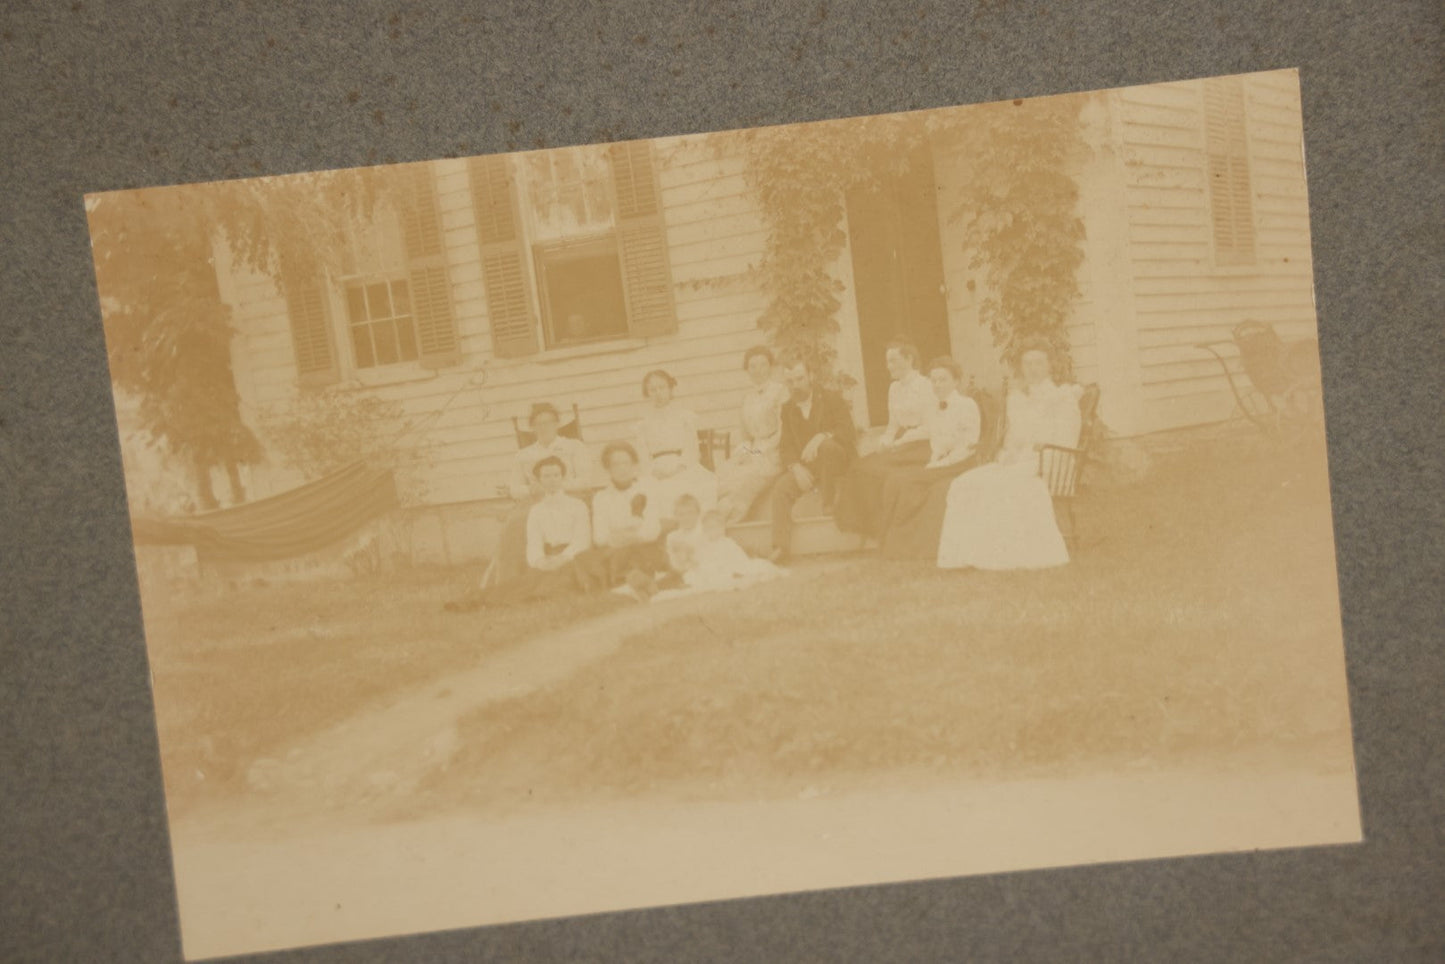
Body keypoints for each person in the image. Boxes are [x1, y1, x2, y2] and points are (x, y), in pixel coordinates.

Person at [936, 340, 1084, 571]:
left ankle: (1003, 554)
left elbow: (1067, 438)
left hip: (1049, 462)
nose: (1033, 369)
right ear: (1021, 368)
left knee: (1002, 486)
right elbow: (1013, 439)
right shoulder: (1017, 399)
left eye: (1038, 363)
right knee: (964, 483)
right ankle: (967, 553)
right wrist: (1008, 453)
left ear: (1049, 367)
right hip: (1019, 461)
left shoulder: (1063, 398)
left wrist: (1035, 454)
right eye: (1027, 364)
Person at [445, 456, 592, 609]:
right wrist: (539, 561)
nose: (552, 480)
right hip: (547, 557)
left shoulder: (577, 505)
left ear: (563, 477)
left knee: (551, 585)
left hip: (572, 558)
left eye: (556, 475)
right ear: (539, 480)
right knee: (525, 582)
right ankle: (472, 601)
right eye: (546, 476)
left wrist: (563, 558)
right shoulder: (536, 510)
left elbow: (582, 540)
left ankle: (489, 602)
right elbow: (534, 542)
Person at [878, 357, 983, 560]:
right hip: (939, 463)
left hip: (961, 463)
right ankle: (898, 548)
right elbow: (931, 435)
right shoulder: (933, 406)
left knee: (906, 480)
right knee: (897, 481)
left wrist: (940, 464)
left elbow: (968, 444)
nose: (937, 385)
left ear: (956, 381)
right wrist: (903, 444)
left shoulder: (966, 405)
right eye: (934, 380)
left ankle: (912, 548)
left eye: (943, 380)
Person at [832, 340, 938, 539]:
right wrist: (885, 440)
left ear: (909, 359)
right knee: (860, 467)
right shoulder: (894, 389)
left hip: (923, 444)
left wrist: (900, 442)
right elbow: (893, 425)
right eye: (887, 362)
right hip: (902, 443)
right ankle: (868, 529)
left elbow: (930, 427)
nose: (889, 366)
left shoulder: (926, 386)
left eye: (894, 361)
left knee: (879, 472)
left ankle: (884, 530)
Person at [767, 354, 858, 563]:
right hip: (808, 468)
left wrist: (822, 436)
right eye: (790, 381)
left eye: (799, 379)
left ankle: (827, 504)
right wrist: (795, 467)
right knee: (781, 489)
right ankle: (780, 547)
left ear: (810, 376)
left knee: (826, 447)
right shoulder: (788, 408)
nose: (795, 385)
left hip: (838, 460)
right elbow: (786, 446)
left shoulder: (832, 398)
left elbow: (848, 431)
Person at [490, 401, 591, 585]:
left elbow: (586, 480)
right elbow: (514, 488)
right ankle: (510, 579)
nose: (544, 427)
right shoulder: (524, 454)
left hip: (568, 496)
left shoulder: (573, 446)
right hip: (535, 500)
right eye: (538, 424)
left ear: (557, 423)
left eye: (549, 422)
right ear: (532, 428)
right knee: (514, 523)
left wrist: (559, 485)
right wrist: (530, 489)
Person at [574, 440, 670, 591]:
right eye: (616, 464)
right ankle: (635, 580)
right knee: (584, 558)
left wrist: (632, 536)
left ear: (634, 465)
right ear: (608, 468)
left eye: (626, 463)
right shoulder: (601, 497)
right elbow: (600, 537)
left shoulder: (647, 488)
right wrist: (622, 537)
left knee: (641, 552)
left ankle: (632, 580)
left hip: (644, 545)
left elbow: (652, 528)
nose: (622, 469)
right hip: (616, 549)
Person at [714, 347, 790, 524]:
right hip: (753, 450)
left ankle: (729, 522)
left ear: (771, 367)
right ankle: (714, 521)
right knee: (724, 475)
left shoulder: (781, 391)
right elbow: (744, 434)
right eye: (753, 366)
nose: (758, 371)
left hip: (774, 452)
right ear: (747, 370)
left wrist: (759, 451)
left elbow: (783, 429)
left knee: (745, 481)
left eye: (763, 364)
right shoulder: (747, 397)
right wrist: (747, 451)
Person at [633, 369, 718, 523]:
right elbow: (642, 455)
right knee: (651, 490)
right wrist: (653, 471)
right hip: (656, 468)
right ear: (647, 393)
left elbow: (692, 449)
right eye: (653, 389)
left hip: (682, 465)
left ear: (670, 389)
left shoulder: (684, 417)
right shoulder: (643, 424)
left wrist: (679, 468)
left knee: (700, 487)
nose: (658, 393)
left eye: (662, 388)